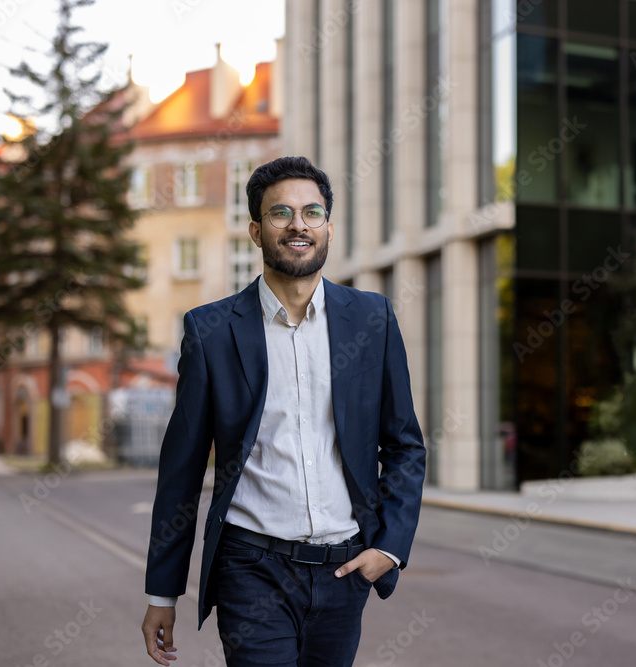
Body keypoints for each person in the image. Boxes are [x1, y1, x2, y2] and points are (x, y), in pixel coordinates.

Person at [140, 156, 426, 666]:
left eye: (312, 212)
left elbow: (405, 445)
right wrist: (163, 593)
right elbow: (181, 469)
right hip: (252, 568)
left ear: (328, 229)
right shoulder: (211, 332)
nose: (298, 224)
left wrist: (389, 547)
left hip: (345, 570)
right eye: (281, 213)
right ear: (255, 230)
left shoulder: (372, 319)